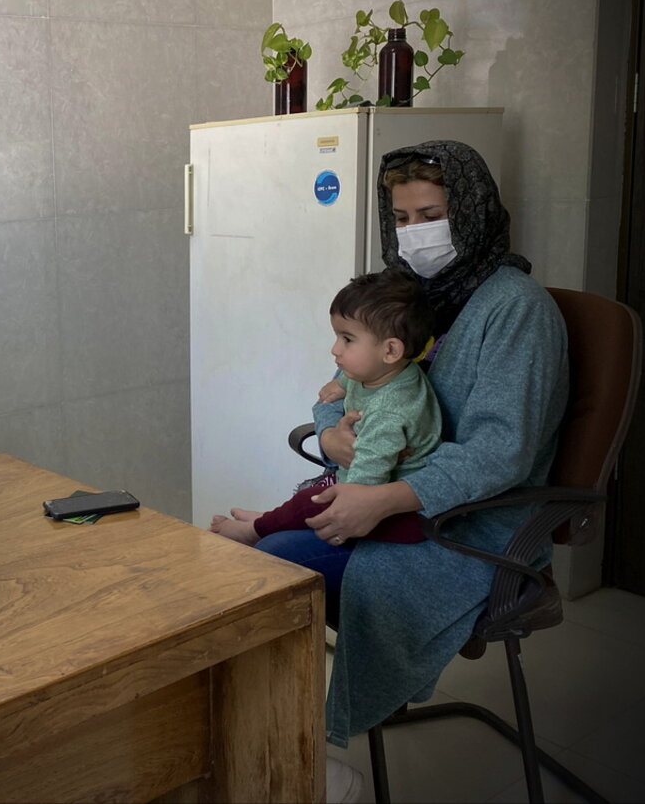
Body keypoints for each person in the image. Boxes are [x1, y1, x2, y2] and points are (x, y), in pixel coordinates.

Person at [231, 141, 568, 778]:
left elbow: (503, 452)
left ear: (469, 212)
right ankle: (255, 746)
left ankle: (291, 760)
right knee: (252, 566)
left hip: (470, 524)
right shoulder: (407, 296)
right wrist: (332, 436)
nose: (415, 231)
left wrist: (384, 498)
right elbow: (342, 384)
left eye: (431, 214)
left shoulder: (518, 311)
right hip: (390, 491)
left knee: (271, 575)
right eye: (403, 218)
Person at [210, 267, 441, 547]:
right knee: (307, 500)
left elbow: (364, 485)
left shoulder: (390, 413)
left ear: (391, 350)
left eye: (347, 339)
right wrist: (342, 383)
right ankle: (270, 518)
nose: (335, 349)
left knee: (312, 500)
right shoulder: (384, 370)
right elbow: (335, 395)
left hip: (397, 513)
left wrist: (336, 503)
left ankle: (255, 530)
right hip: (367, 481)